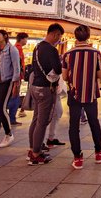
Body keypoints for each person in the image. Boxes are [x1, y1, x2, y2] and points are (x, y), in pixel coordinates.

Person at [62, 25, 101, 169]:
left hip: (74, 93)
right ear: (88, 36)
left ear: (75, 36)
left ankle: (77, 157)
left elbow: (64, 76)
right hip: (90, 93)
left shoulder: (67, 54)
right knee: (94, 122)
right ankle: (99, 153)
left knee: (73, 125)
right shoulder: (95, 53)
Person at [28, 23, 63, 165]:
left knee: (36, 120)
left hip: (35, 86)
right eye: (59, 36)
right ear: (55, 34)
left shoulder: (37, 47)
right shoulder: (51, 50)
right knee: (42, 122)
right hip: (45, 88)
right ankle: (36, 154)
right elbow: (58, 69)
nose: (59, 39)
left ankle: (32, 148)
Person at [8, 32, 28, 126]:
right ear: (22, 39)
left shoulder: (15, 48)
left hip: (15, 76)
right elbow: (18, 64)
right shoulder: (17, 48)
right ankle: (11, 117)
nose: (26, 41)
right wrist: (19, 75)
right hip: (16, 77)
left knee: (13, 96)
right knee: (15, 97)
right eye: (26, 39)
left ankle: (8, 116)